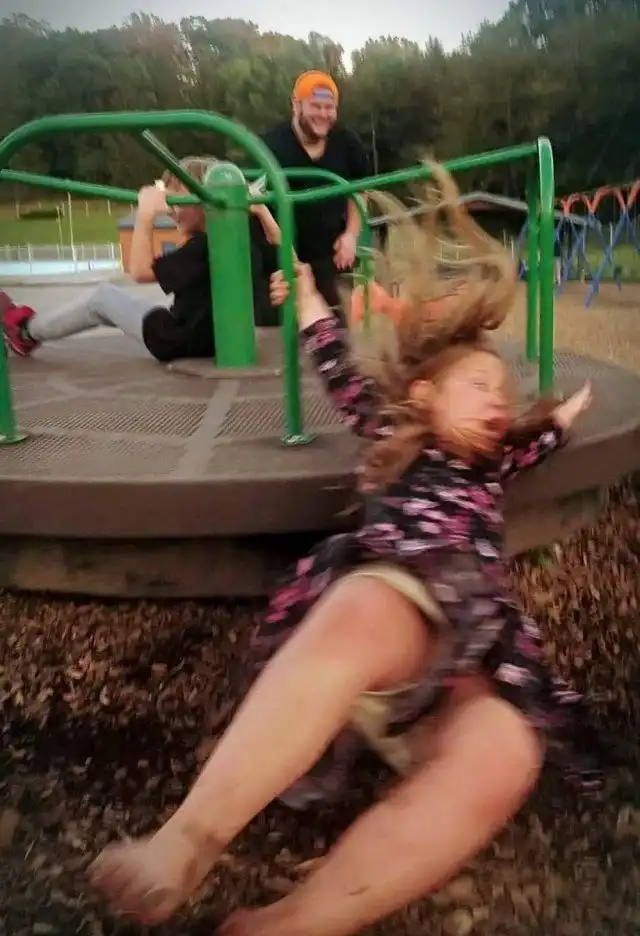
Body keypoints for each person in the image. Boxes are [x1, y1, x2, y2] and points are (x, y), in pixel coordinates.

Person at [88, 162, 604, 936]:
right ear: (423, 396)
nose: (498, 404)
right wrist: (302, 291)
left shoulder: (495, 462)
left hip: (467, 654)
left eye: (504, 397)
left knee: (506, 751)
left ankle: (293, 923)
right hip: (391, 618)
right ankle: (186, 842)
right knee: (374, 608)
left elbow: (542, 438)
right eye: (478, 388)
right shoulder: (394, 425)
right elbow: (331, 352)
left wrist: (563, 416)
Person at [2, 157, 279, 361]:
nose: (170, 209)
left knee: (102, 297)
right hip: (217, 340)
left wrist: (145, 215)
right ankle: (32, 328)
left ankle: (25, 332)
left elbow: (138, 271)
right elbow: (285, 254)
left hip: (178, 340)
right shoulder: (246, 236)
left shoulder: (204, 247)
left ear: (205, 201)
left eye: (177, 198)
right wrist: (262, 212)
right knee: (109, 308)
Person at [256, 70, 371, 324]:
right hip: (282, 260)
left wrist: (351, 235)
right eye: (315, 106)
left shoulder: (347, 142)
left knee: (344, 323)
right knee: (282, 328)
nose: (323, 114)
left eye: (329, 107)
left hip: (332, 255)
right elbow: (254, 202)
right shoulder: (269, 146)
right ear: (296, 105)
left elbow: (360, 190)